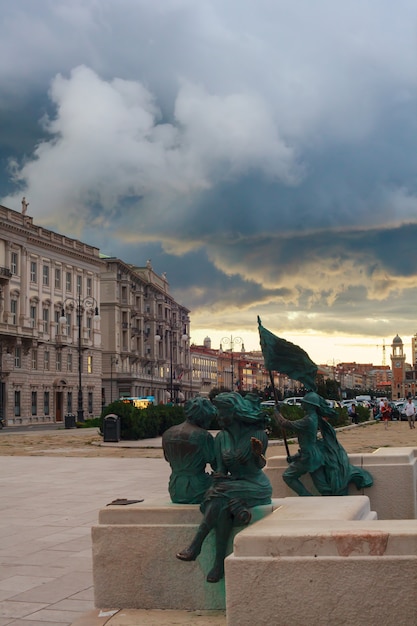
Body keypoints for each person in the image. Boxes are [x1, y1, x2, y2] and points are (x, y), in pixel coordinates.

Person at [176, 392, 272, 583]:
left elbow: (260, 466)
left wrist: (257, 455)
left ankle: (196, 545)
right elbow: (221, 471)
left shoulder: (258, 435)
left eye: (222, 412)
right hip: (231, 487)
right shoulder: (221, 438)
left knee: (219, 494)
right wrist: (218, 477)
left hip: (256, 484)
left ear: (234, 413)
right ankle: (218, 564)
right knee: (223, 506)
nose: (218, 417)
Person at [275, 391, 373, 497]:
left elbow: (284, 424)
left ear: (309, 405)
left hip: (309, 458)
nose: (301, 404)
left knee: (288, 476)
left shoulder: (308, 420)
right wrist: (295, 457)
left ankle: (307, 497)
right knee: (323, 488)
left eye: (304, 402)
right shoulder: (313, 418)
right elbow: (308, 443)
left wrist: (276, 412)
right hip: (314, 455)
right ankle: (328, 501)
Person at [162, 396, 217, 504]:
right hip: (197, 487)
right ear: (204, 416)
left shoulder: (168, 433)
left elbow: (167, 458)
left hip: (175, 487)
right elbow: (215, 464)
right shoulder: (203, 436)